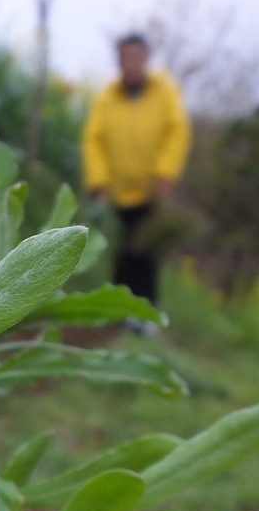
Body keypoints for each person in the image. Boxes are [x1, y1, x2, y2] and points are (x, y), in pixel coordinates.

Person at [82, 32, 191, 309]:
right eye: (124, 58)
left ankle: (146, 312)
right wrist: (99, 182)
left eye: (135, 57)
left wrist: (165, 174)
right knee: (122, 253)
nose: (130, 63)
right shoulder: (107, 97)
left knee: (147, 253)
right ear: (118, 61)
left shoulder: (165, 92)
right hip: (117, 194)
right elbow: (94, 140)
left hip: (151, 192)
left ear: (145, 58)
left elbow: (177, 132)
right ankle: (120, 311)